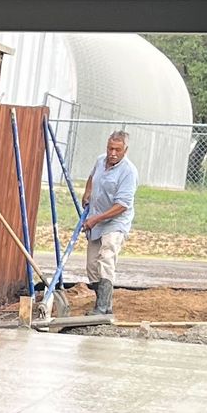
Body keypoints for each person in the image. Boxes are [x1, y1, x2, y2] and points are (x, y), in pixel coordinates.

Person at [81, 130, 136, 319]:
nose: (112, 153)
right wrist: (87, 193)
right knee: (91, 265)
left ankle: (102, 308)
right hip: (96, 219)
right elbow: (92, 178)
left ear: (125, 150)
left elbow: (121, 206)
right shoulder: (100, 161)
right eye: (110, 148)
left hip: (115, 222)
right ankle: (105, 303)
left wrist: (95, 219)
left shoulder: (128, 172)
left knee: (106, 257)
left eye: (117, 150)